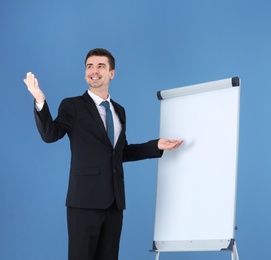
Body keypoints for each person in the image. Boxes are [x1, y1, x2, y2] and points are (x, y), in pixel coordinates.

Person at [23, 48, 183, 260]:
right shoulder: (72, 106)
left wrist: (156, 146)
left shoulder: (119, 111)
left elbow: (120, 152)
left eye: (101, 66)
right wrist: (40, 102)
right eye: (90, 66)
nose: (94, 71)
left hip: (114, 203)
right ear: (85, 73)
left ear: (111, 73)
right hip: (84, 202)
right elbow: (50, 134)